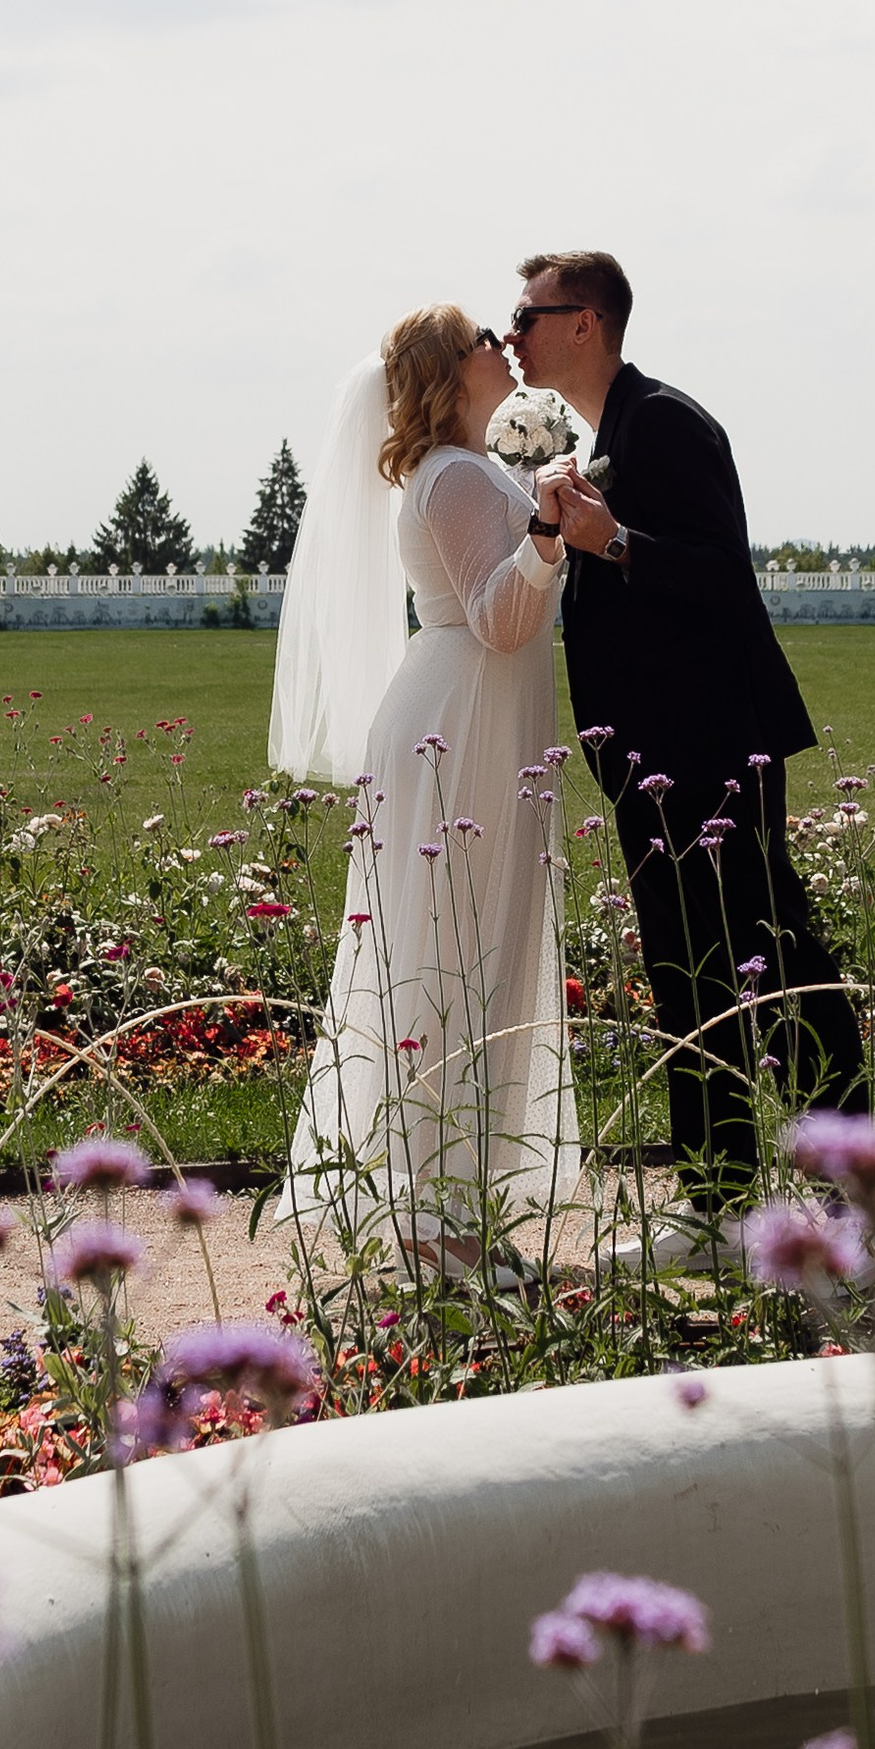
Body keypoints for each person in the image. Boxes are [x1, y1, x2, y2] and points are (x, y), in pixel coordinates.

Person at [509, 249, 868, 1200]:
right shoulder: (608, 433)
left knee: (772, 960)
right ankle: (719, 1196)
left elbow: (719, 576)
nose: (513, 336)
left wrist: (612, 540)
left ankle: (854, 1192)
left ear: (585, 321)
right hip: (652, 754)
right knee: (688, 975)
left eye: (528, 316)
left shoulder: (664, 422)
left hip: (710, 745)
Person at [272, 306, 577, 1275]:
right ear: (451, 367)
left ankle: (455, 1209)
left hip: (481, 718)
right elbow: (497, 617)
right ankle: (429, 1221)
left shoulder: (468, 467)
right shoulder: (449, 476)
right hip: (462, 723)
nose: (502, 342)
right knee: (451, 956)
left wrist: (540, 520)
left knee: (476, 955)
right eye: (484, 332)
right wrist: (545, 526)